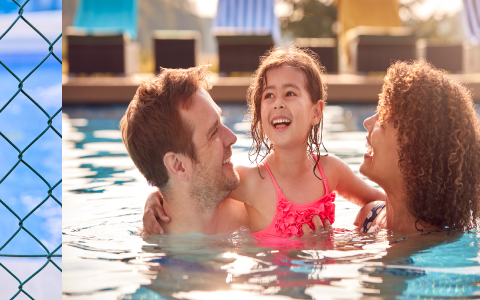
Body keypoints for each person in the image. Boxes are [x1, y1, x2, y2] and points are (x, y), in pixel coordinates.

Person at [140, 47, 385, 240]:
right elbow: (192, 188)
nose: (278, 102)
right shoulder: (250, 182)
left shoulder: (331, 171)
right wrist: (155, 199)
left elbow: (379, 200)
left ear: (316, 112)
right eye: (269, 95)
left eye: (290, 93)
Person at [354, 60, 480, 234]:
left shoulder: (437, 248)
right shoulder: (368, 216)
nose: (367, 123)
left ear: (415, 151)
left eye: (383, 119)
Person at [119, 65, 248, 235]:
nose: (232, 137)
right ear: (178, 165)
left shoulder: (256, 207)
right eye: (213, 132)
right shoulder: (155, 252)